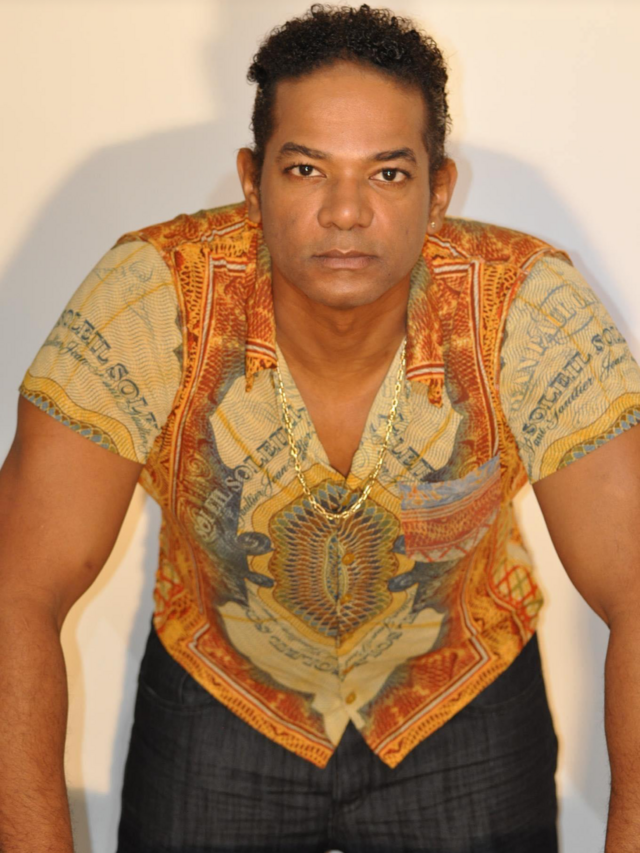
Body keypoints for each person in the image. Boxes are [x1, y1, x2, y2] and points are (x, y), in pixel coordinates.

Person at [2, 4, 640, 852]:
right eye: (306, 169)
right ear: (251, 178)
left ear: (439, 190)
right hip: (219, 693)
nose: (345, 212)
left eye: (388, 173)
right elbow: (17, 587)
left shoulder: (527, 305)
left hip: (460, 694)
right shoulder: (153, 298)